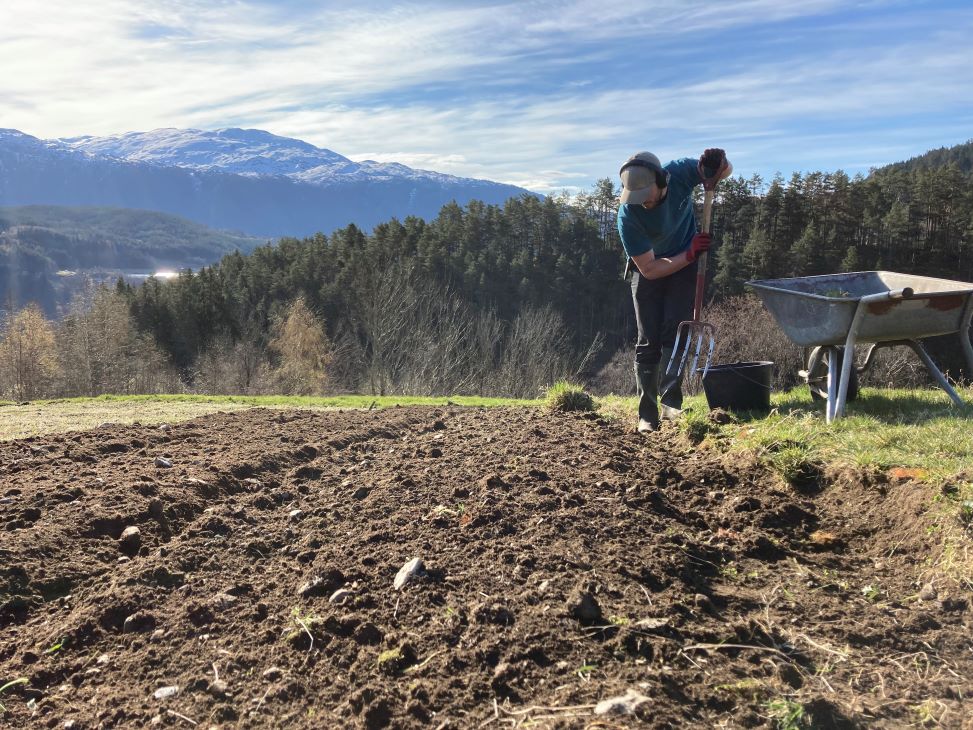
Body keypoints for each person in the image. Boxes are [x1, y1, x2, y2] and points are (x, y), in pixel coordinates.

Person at [616, 148, 732, 433]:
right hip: (651, 268)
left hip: (684, 268)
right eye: (636, 197)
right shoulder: (627, 215)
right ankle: (647, 413)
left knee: (676, 333)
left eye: (647, 194)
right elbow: (650, 269)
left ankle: (672, 406)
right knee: (648, 339)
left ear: (661, 180)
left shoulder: (678, 172)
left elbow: (723, 173)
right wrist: (689, 255)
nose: (643, 202)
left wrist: (717, 166)